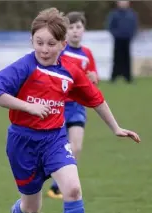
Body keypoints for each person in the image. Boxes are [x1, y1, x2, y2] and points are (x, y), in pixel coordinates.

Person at [0, 8, 140, 213]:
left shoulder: (71, 71)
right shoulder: (24, 67)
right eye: (39, 42)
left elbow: (95, 98)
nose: (44, 49)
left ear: (63, 44)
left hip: (55, 139)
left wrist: (116, 128)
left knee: (73, 189)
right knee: (32, 207)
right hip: (23, 143)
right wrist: (28, 107)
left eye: (51, 44)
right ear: (31, 41)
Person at [48, 11, 99, 200]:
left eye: (79, 27)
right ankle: (54, 181)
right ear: (65, 31)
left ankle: (59, 185)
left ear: (84, 30)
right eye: (71, 27)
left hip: (77, 106)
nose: (75, 31)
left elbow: (93, 77)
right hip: (59, 106)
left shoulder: (87, 54)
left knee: (75, 147)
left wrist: (94, 78)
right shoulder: (61, 51)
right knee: (57, 146)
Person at [106, 1, 138, 83]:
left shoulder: (131, 14)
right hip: (118, 39)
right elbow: (110, 26)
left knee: (127, 59)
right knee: (117, 58)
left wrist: (131, 34)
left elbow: (134, 26)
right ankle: (114, 77)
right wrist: (116, 34)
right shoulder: (114, 14)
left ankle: (128, 77)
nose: (123, 3)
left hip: (127, 39)